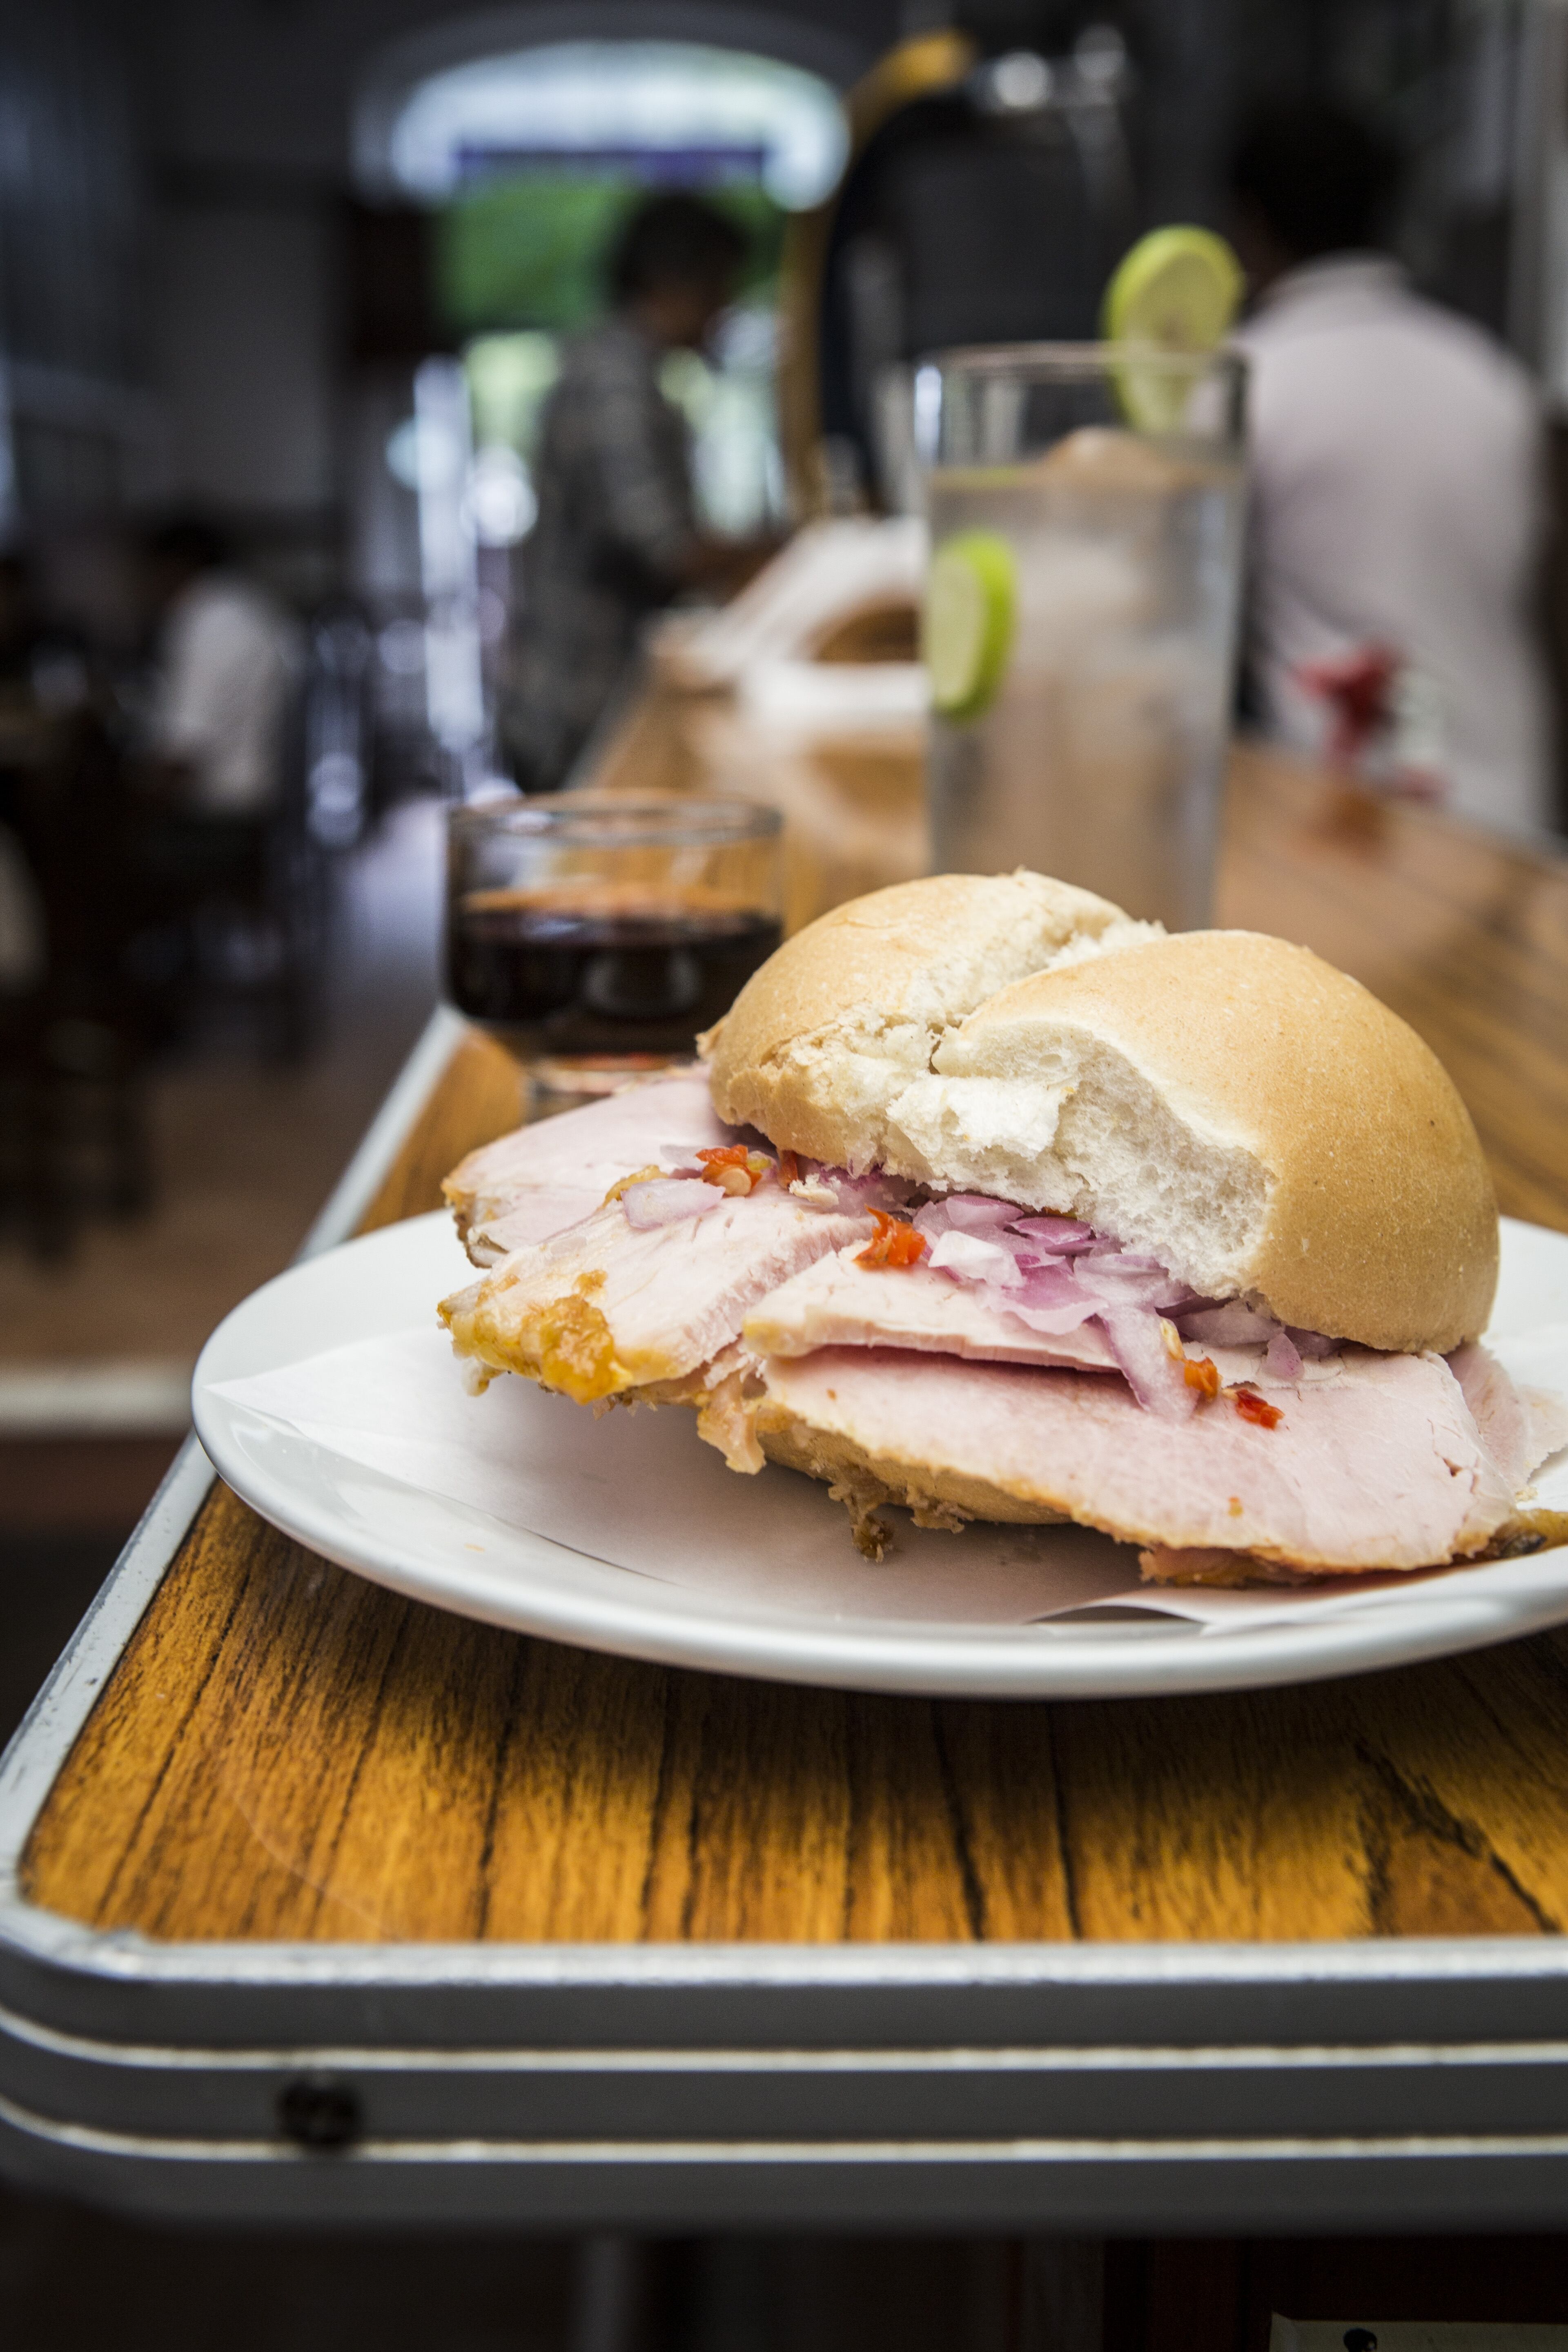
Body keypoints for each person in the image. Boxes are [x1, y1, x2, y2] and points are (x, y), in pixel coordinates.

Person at [1229, 98, 1555, 836]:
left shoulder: (1246, 384)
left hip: (1353, 836)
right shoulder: (1492, 377)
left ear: (1250, 223)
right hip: (1516, 821)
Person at [502, 193, 763, 792]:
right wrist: (783, 553)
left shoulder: (618, 368)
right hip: (577, 706)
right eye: (720, 283)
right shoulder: (615, 380)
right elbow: (665, 548)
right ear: (673, 278)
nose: (725, 306)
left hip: (580, 699)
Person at [138, 514, 299, 822]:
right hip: (271, 805)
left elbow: (183, 748)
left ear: (174, 564)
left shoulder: (208, 617)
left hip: (227, 813)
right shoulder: (253, 603)